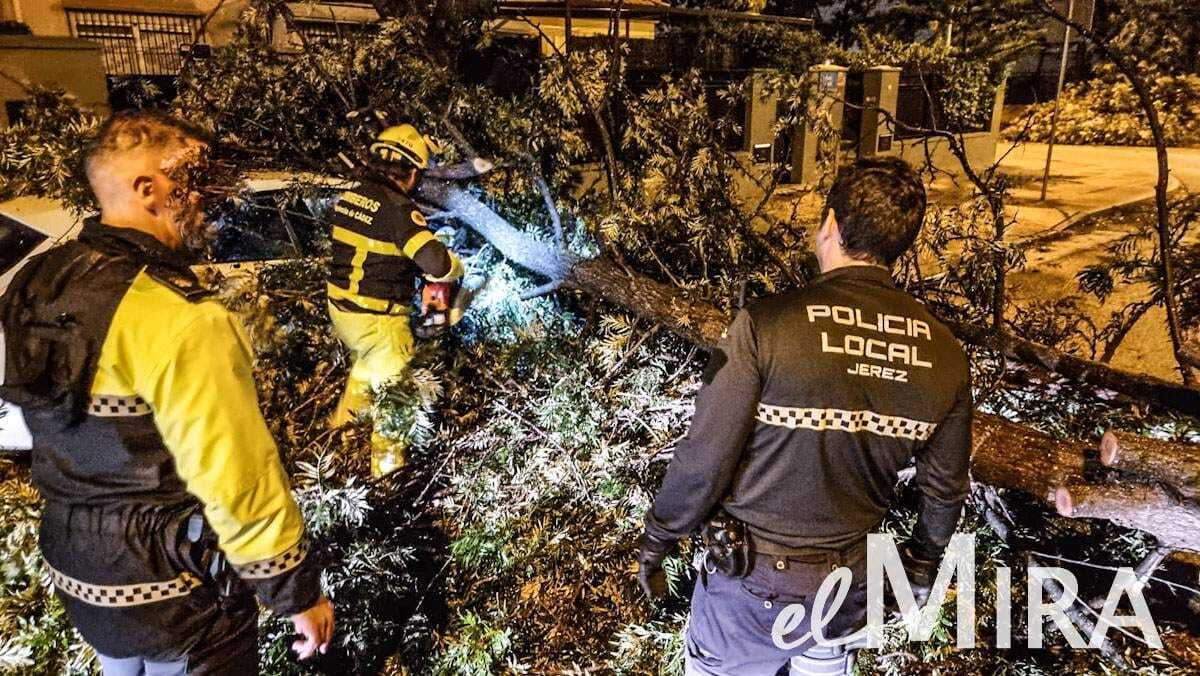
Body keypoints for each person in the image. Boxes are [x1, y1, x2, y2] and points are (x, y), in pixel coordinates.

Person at [0, 111, 333, 674]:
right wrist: (295, 591)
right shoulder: (179, 318)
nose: (205, 199)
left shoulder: (40, 281)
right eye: (193, 182)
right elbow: (235, 476)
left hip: (78, 569)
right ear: (147, 188)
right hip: (175, 587)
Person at [637, 157, 972, 676]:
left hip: (747, 593)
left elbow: (705, 456)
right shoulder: (945, 353)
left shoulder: (767, 326)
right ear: (897, 246)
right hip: (845, 594)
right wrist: (924, 562)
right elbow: (945, 486)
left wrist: (658, 538)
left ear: (831, 226)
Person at [326, 123, 463, 477]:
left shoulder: (353, 196)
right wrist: (452, 266)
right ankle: (388, 477)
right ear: (413, 171)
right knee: (395, 404)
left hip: (344, 312)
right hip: (378, 318)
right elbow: (435, 263)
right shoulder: (398, 210)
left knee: (365, 368)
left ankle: (337, 443)